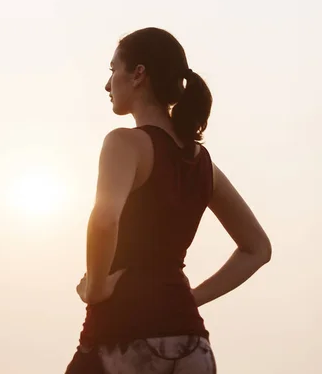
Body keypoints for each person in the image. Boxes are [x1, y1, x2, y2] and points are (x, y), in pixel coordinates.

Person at [65, 28, 272, 374]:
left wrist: (97, 288)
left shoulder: (124, 144)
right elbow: (257, 249)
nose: (107, 85)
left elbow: (104, 221)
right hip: (193, 347)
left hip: (121, 337)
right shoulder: (203, 164)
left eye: (112, 70)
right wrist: (190, 299)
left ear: (139, 74)